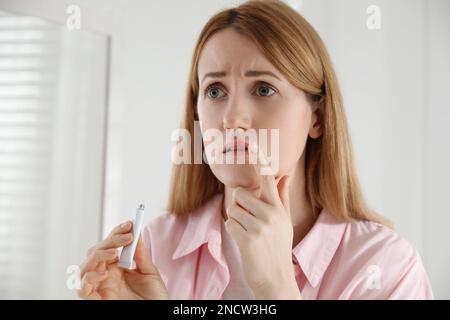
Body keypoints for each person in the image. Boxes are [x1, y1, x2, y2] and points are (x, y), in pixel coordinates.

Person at [77, 0, 433, 300]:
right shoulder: (152, 250)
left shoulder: (386, 267)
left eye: (263, 89)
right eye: (215, 91)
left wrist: (277, 288)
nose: (232, 119)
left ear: (318, 118)